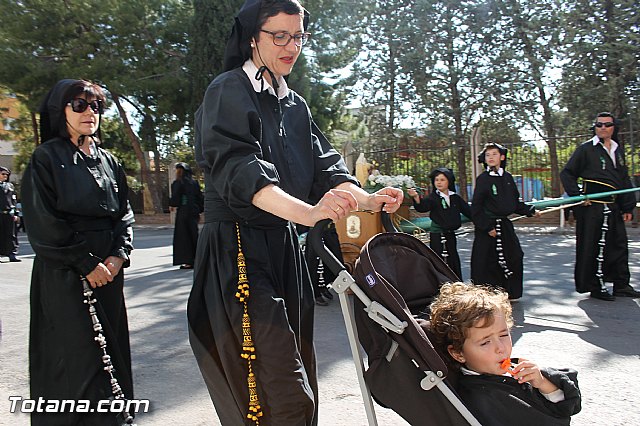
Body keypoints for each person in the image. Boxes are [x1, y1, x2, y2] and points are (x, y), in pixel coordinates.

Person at [186, 1, 403, 424]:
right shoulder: (228, 89)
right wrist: (307, 213)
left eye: (298, 36)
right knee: (274, 383)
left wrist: (369, 199)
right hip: (238, 248)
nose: (291, 46)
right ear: (252, 38)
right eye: (279, 36)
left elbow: (329, 170)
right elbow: (241, 171)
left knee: (298, 368)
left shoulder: (295, 105)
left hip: (282, 247)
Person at [22, 79, 136, 425]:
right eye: (80, 105)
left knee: (110, 353)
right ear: (62, 111)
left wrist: (117, 256)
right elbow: (42, 221)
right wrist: (86, 263)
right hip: (65, 274)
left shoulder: (109, 160)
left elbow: (124, 215)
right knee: (76, 358)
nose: (90, 113)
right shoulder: (45, 158)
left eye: (96, 106)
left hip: (109, 272)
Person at [429, 282, 582, 426]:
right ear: (458, 353)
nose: (500, 348)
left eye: (503, 335)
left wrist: (543, 383)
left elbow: (566, 407)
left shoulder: (513, 370)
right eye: (485, 342)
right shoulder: (483, 399)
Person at [560, 112, 640, 301]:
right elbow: (567, 173)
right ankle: (595, 285)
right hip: (592, 207)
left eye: (607, 125)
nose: (603, 128)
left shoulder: (617, 150)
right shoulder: (586, 149)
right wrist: (578, 197)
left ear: (614, 127)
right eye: (599, 125)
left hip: (612, 206)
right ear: (595, 127)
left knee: (619, 245)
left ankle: (621, 284)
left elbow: (623, 180)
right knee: (594, 246)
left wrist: (627, 207)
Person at [470, 143, 537, 300]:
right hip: (488, 227)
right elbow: (476, 208)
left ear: (502, 157)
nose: (491, 157)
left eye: (494, 154)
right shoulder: (483, 179)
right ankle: (487, 296)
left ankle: (509, 292)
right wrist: (487, 227)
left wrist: (530, 211)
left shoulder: (507, 178)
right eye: (488, 155)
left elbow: (515, 203)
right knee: (487, 261)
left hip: (504, 225)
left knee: (514, 256)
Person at [407, 167, 471, 279]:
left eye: (442, 180)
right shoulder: (433, 198)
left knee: (453, 258)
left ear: (449, 181)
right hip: (437, 234)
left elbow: (469, 211)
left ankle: (456, 282)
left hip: (450, 234)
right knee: (439, 259)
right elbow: (423, 207)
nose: (439, 182)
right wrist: (416, 197)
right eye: (437, 180)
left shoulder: (455, 198)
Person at [169, 162, 203, 269]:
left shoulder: (178, 183)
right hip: (193, 212)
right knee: (194, 235)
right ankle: (198, 260)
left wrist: (172, 204)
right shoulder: (194, 183)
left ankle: (188, 261)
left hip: (183, 212)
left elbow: (175, 199)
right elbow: (200, 198)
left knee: (184, 237)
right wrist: (199, 210)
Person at [0, 166, 20, 262]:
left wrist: (16, 213)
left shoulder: (10, 186)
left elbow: (14, 200)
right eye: (3, 174)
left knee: (11, 234)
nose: (5, 176)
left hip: (9, 213)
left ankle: (12, 254)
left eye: (6, 174)